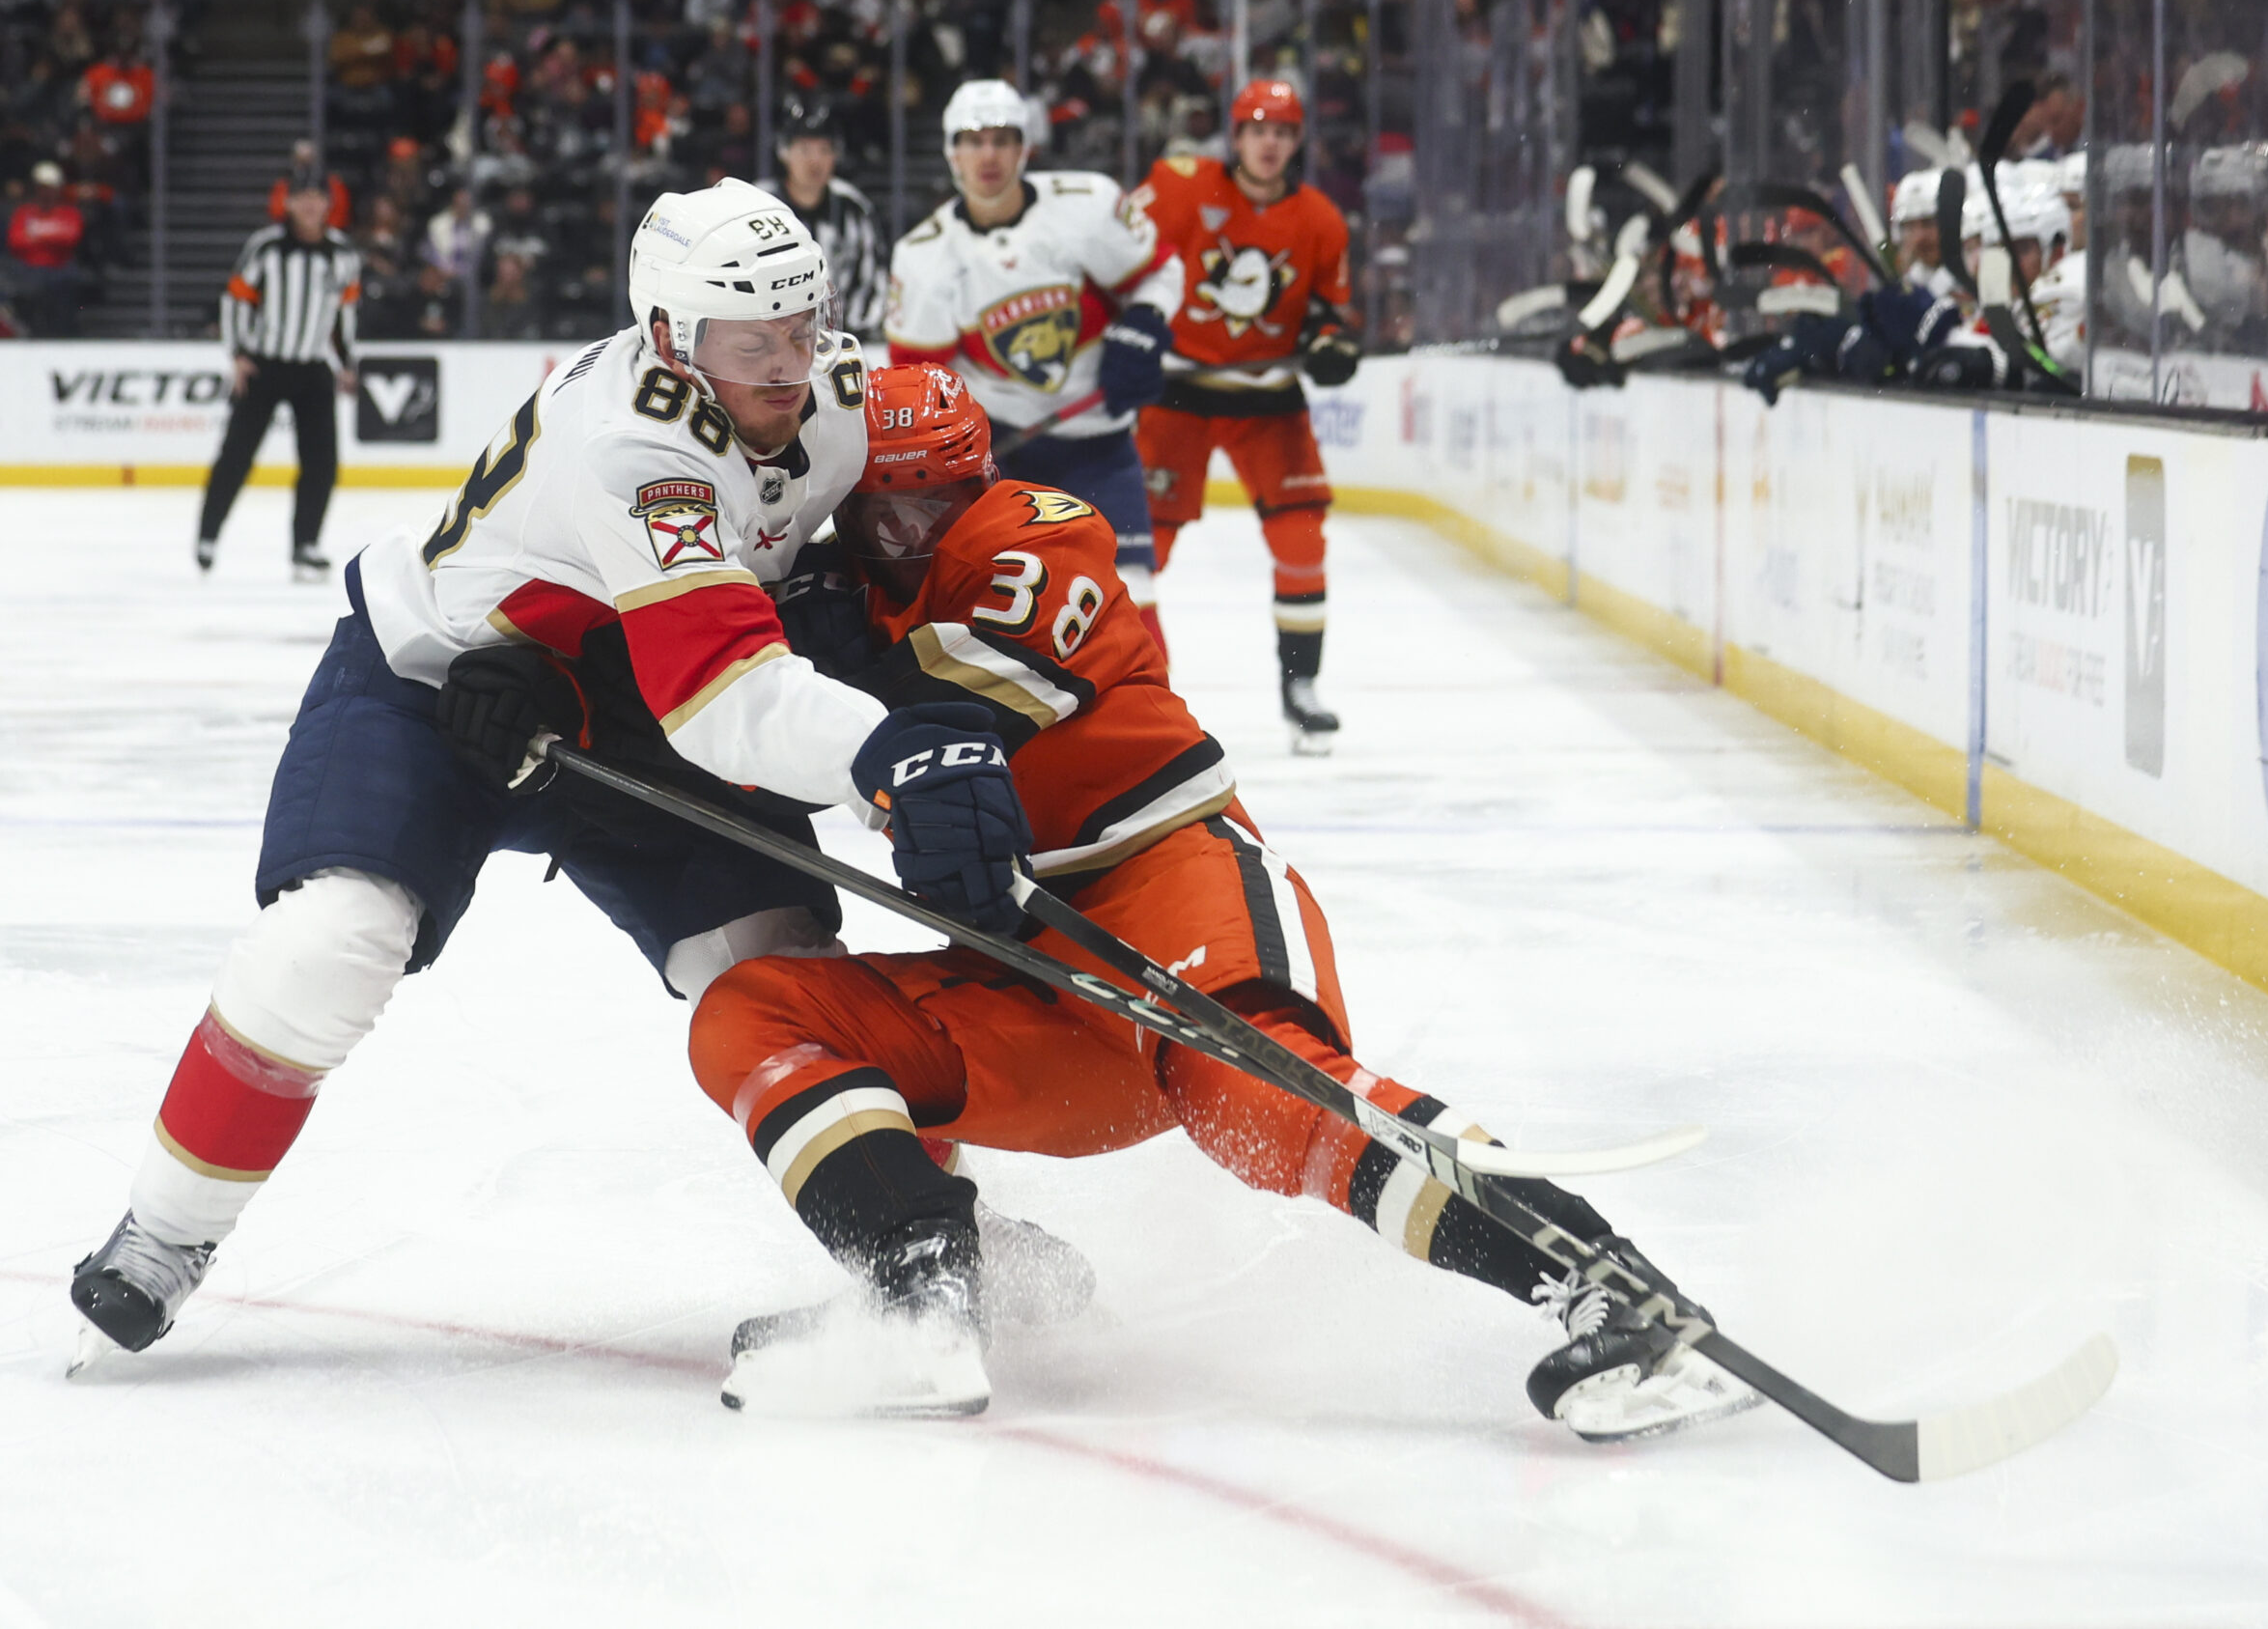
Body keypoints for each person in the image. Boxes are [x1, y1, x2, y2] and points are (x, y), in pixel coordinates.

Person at [685, 363, 1760, 1441]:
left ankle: (1610, 1285)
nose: (908, 533)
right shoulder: (840, 581)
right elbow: (729, 723)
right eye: (882, 513)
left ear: (979, 481)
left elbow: (947, 714)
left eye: (933, 505)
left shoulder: (1039, 533)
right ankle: (931, 1287)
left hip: (1164, 877)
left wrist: (810, 652)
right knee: (751, 1011)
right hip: (1026, 968)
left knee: (1264, 1099)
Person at [64, 180, 1036, 1368]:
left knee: (779, 976)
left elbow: (859, 565)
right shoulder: (636, 441)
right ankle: (165, 1234)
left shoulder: (835, 400)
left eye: (802, 326)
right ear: (671, 340)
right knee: (327, 946)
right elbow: (727, 697)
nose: (785, 367)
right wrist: (890, 757)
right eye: (750, 341)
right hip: (439, 691)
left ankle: (927, 1244)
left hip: (623, 711)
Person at [884, 78, 1184, 653]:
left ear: (1026, 147)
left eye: (1002, 139)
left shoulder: (1087, 205)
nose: (988, 155)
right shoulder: (924, 254)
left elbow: (1161, 271)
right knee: (1005, 607)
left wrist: (1142, 324)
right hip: (1003, 459)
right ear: (951, 152)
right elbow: (920, 383)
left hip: (1101, 447)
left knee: (1132, 596)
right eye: (973, 141)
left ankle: (1151, 734)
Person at [1135, 79, 1359, 752]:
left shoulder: (1320, 219)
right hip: (1179, 390)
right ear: (1234, 136)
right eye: (1258, 130)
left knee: (1301, 542)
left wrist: (1330, 343)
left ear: (1297, 142)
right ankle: (1139, 692)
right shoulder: (1182, 187)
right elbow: (1124, 254)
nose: (1270, 143)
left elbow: (1327, 309)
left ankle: (1301, 687)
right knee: (1144, 553)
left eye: (1283, 132)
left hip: (1268, 398)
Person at [197, 169, 361, 577]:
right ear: (287, 203)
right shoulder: (266, 247)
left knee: (322, 462)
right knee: (236, 454)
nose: (309, 204)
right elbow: (236, 299)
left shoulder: (342, 254)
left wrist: (345, 364)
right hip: (264, 367)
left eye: (316, 196)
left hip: (313, 370)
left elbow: (344, 314)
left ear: (329, 203)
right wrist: (237, 354)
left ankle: (306, 545)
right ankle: (208, 534)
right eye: (301, 196)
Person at [755, 98, 886, 337]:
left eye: (824, 150)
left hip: (841, 342)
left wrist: (848, 337)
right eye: (804, 149)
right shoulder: (758, 206)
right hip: (766, 342)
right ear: (784, 153)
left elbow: (871, 280)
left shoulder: (854, 208)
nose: (815, 160)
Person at [6, 159, 84, 335]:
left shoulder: (69, 212)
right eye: (42, 187)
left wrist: (37, 236)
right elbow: (16, 241)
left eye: (50, 187)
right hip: (30, 271)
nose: (46, 191)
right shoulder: (24, 213)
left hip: (60, 271)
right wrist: (52, 236)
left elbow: (71, 238)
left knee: (64, 285)